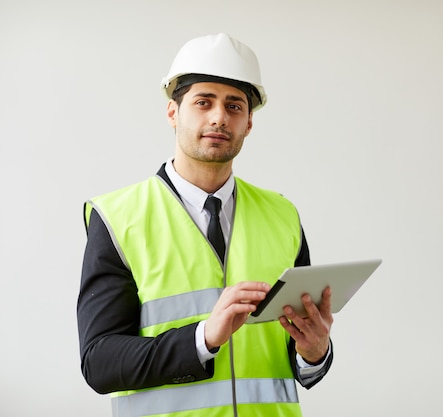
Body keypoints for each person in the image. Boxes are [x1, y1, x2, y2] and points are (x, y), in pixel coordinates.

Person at [77, 33, 334, 417]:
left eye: (234, 106)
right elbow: (99, 362)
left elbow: (294, 357)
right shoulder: (119, 217)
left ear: (248, 124)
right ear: (172, 113)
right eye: (203, 102)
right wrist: (202, 339)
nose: (219, 117)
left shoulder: (283, 216)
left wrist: (314, 353)